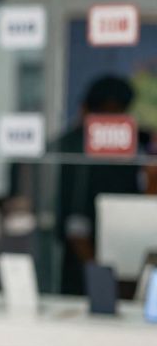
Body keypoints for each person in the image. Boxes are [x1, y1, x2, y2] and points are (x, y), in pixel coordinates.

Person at [52, 75, 151, 296]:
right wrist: (103, 280)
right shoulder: (75, 148)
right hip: (83, 270)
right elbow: (76, 224)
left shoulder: (133, 148)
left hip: (122, 260)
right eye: (112, 112)